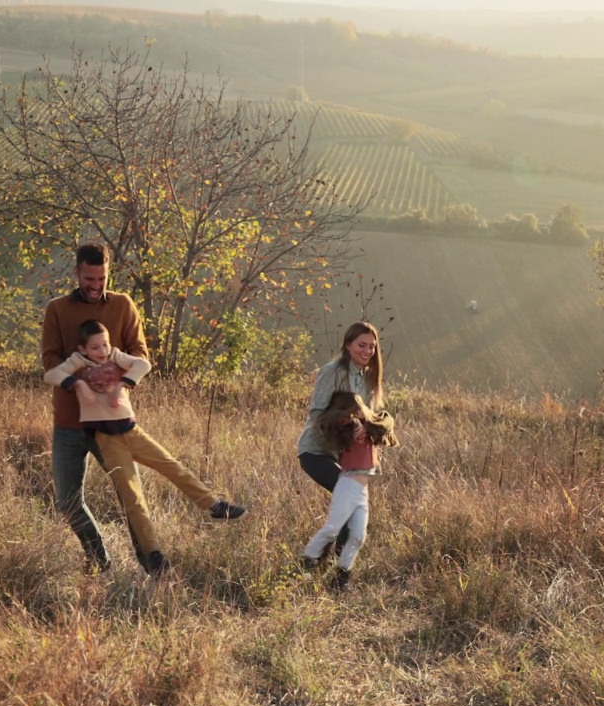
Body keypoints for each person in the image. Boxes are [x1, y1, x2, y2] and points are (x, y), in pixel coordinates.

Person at [45, 320, 247, 576]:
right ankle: (154, 555)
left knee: (173, 466)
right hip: (107, 438)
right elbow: (51, 374)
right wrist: (79, 384)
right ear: (83, 349)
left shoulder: (116, 356)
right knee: (132, 497)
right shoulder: (78, 362)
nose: (102, 350)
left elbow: (144, 363)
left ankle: (214, 506)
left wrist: (122, 383)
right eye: (95, 347)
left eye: (105, 344)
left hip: (132, 431)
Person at [42, 243, 147, 573]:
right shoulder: (57, 309)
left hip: (112, 424)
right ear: (76, 273)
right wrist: (78, 383)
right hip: (69, 423)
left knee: (130, 498)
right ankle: (101, 562)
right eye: (89, 278)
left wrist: (119, 383)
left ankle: (151, 565)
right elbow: (50, 360)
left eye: (102, 278)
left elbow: (140, 355)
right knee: (68, 503)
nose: (96, 285)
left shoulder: (123, 305)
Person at [296, 321, 386, 561]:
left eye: (371, 347)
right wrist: (348, 422)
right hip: (315, 451)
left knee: (349, 504)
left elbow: (371, 416)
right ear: (348, 345)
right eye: (361, 345)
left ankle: (322, 561)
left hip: (342, 455)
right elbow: (316, 413)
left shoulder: (366, 378)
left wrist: (365, 429)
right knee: (349, 500)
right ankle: (330, 566)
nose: (367, 351)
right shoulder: (333, 370)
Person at [299, 390, 396, 590]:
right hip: (347, 483)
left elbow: (387, 421)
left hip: (361, 489)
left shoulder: (372, 427)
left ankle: (341, 576)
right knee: (335, 528)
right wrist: (353, 421)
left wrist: (366, 424)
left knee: (359, 534)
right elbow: (329, 420)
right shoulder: (347, 429)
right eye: (354, 410)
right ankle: (308, 561)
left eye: (359, 408)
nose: (358, 412)